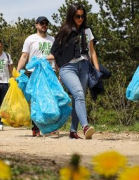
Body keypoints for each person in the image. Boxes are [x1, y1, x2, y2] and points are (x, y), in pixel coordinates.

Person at [50, 3, 97, 139]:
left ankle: (72, 131)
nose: (80, 18)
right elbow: (54, 53)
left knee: (78, 98)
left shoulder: (87, 31)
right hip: (68, 68)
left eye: (83, 16)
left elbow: (92, 51)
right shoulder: (64, 32)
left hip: (84, 66)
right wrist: (41, 59)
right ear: (72, 16)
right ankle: (86, 126)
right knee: (79, 93)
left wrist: (97, 70)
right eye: (77, 16)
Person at [16, 16, 56, 137]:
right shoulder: (30, 39)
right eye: (41, 23)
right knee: (36, 101)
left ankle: (50, 127)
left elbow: (56, 56)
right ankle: (36, 128)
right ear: (36, 25)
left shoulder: (52, 40)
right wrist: (17, 71)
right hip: (35, 73)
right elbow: (24, 56)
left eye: (46, 23)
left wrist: (59, 74)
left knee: (50, 100)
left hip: (49, 72)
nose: (44, 25)